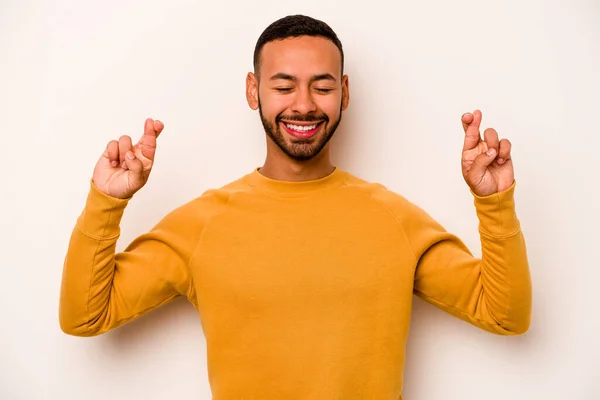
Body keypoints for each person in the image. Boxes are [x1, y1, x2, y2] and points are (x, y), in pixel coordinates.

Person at [59, 14, 532, 400]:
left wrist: (493, 202)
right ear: (253, 91)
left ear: (344, 93)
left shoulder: (392, 219)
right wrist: (107, 202)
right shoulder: (202, 225)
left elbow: (505, 314)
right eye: (284, 86)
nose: (303, 105)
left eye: (322, 87)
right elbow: (84, 316)